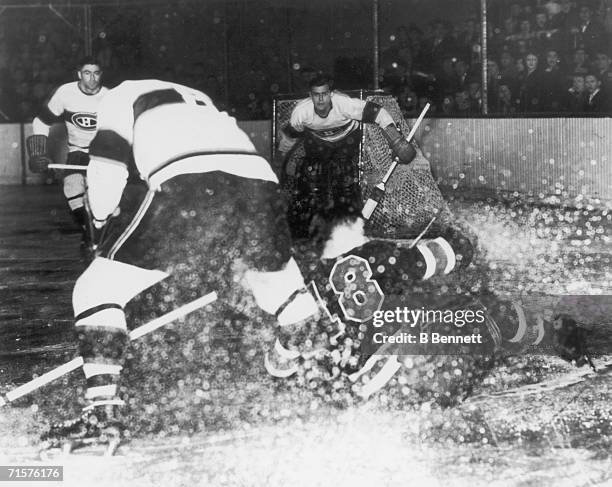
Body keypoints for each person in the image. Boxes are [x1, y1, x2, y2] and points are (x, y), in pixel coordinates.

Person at [39, 79, 336, 455]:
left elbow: (107, 168)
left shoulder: (119, 96)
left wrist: (98, 231)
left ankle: (102, 412)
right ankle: (321, 366)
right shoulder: (201, 99)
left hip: (189, 181)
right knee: (279, 288)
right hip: (261, 185)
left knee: (95, 289)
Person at [276, 74, 416, 239]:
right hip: (317, 142)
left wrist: (395, 139)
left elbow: (379, 113)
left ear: (331, 94)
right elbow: (289, 137)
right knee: (312, 180)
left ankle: (350, 228)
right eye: (316, 95)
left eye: (324, 94)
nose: (321, 99)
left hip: (346, 141)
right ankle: (308, 231)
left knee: (344, 181)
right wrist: (282, 164)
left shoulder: (345, 104)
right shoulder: (301, 113)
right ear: (310, 96)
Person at [26, 56, 108, 247]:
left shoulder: (109, 96)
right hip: (77, 150)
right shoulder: (65, 93)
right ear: (79, 74)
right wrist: (38, 152)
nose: (92, 78)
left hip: (103, 154)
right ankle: (89, 231)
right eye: (87, 73)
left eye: (96, 73)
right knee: (71, 189)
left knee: (104, 199)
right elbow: (41, 121)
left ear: (101, 75)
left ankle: (99, 230)